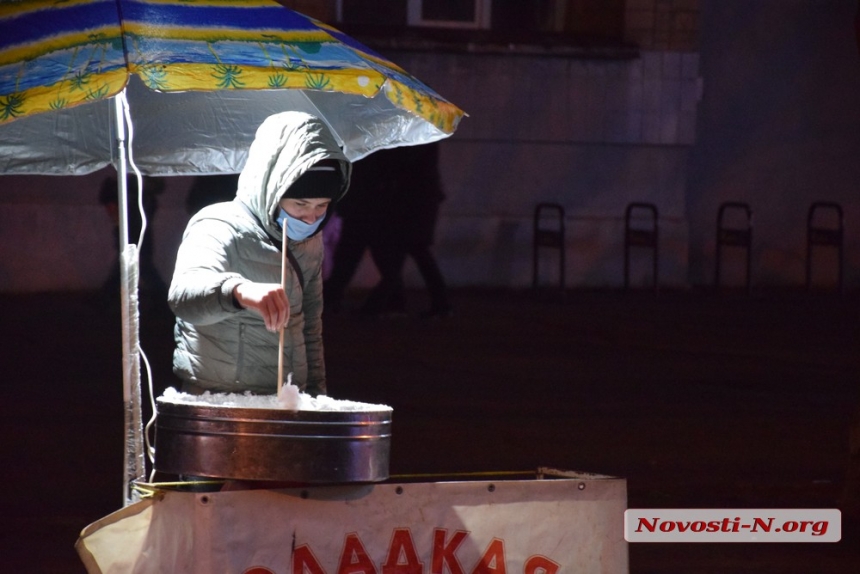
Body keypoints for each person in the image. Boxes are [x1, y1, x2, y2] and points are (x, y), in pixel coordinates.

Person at [168, 111, 350, 396]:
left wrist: (316, 396)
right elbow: (184, 296)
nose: (310, 218)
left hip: (288, 399)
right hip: (219, 402)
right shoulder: (218, 224)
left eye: (321, 205)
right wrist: (238, 291)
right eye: (300, 204)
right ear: (271, 189)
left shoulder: (310, 242)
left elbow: (311, 327)